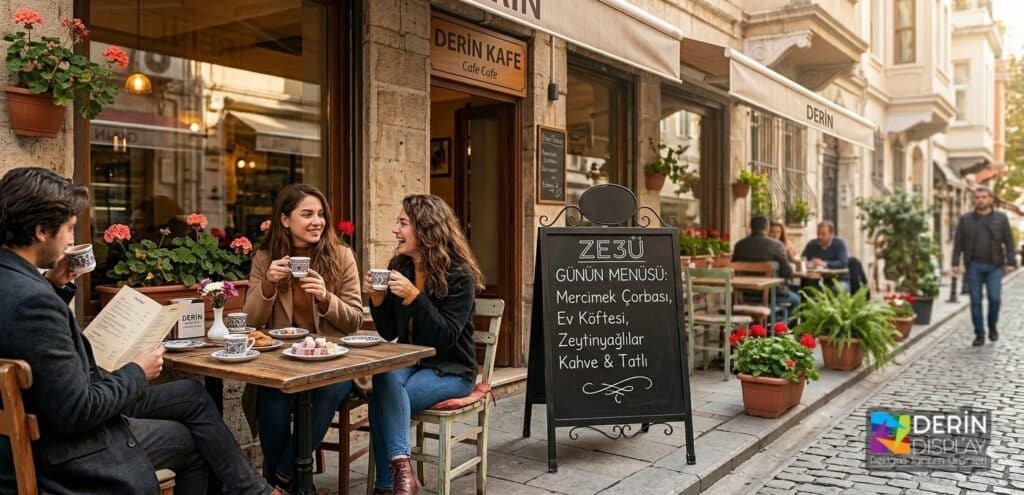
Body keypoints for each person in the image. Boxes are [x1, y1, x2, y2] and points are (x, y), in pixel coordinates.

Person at [0, 167, 281, 495]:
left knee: (191, 394)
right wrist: (137, 370)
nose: (73, 240)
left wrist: (55, 286)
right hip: (67, 452)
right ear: (41, 231)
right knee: (190, 444)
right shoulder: (34, 304)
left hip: (43, 428)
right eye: (70, 229)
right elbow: (76, 411)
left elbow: (28, 337)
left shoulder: (18, 282)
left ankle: (256, 492)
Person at [242, 183, 363, 489]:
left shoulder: (341, 256)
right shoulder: (266, 258)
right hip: (284, 362)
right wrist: (268, 284)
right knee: (271, 394)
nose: (317, 221)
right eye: (307, 214)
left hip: (333, 360)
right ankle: (286, 482)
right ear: (285, 220)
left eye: (321, 214)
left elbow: (354, 321)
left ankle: (281, 477)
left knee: (326, 389)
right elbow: (249, 321)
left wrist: (326, 299)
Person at [365, 195, 484, 495]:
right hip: (411, 362)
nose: (395, 230)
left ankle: (385, 486)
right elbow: (390, 331)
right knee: (384, 377)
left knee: (384, 401)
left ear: (426, 228)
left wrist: (415, 299)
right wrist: (378, 300)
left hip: (452, 370)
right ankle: (402, 472)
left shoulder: (459, 275)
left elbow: (446, 335)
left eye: (403, 223)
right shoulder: (400, 266)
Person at [952, 185, 1016, 346]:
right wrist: (955, 263)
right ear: (974, 200)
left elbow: (1008, 241)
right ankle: (979, 334)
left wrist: (1011, 261)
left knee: (995, 298)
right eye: (977, 197)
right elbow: (958, 243)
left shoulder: (1001, 218)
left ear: (990, 199)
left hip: (995, 266)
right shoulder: (965, 219)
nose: (980, 200)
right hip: (973, 265)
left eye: (984, 197)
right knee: (975, 300)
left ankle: (992, 325)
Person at [732, 215, 801, 317]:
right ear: (767, 228)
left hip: (744, 296)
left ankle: (772, 323)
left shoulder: (739, 245)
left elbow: (733, 268)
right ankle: (781, 327)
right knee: (796, 300)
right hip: (770, 296)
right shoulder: (777, 245)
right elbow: (788, 273)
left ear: (750, 227)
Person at [801, 220, 850, 290]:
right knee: (808, 288)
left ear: (831, 234)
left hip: (838, 280)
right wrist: (808, 263)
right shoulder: (811, 244)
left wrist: (824, 264)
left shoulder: (839, 244)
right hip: (816, 280)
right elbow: (803, 259)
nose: (819, 237)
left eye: (823, 234)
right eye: (818, 234)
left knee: (836, 289)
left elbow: (843, 263)